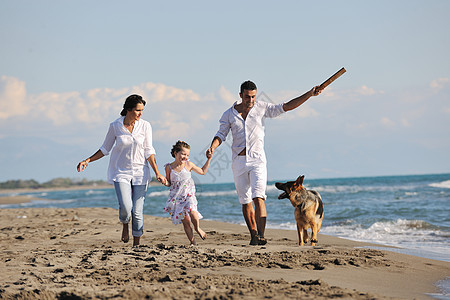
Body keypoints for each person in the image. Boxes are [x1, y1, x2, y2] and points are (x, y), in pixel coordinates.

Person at [207, 80, 322, 245]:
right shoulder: (229, 114)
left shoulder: (262, 107)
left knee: (258, 197)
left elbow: (287, 106)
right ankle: (253, 234)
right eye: (247, 97)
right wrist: (212, 147)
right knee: (245, 201)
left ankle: (261, 235)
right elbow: (221, 134)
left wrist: (309, 94)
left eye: (253, 96)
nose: (251, 100)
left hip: (257, 161)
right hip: (238, 162)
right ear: (240, 95)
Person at [76, 94, 167, 247]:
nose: (140, 114)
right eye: (138, 110)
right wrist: (87, 160)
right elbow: (105, 149)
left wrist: (157, 173)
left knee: (137, 212)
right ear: (128, 109)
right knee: (126, 207)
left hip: (140, 172)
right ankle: (125, 224)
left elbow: (149, 151)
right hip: (121, 172)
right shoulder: (115, 126)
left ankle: (136, 244)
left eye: (142, 110)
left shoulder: (145, 126)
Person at [163, 141, 212, 245]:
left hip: (189, 195)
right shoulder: (169, 167)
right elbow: (169, 183)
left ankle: (198, 228)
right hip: (176, 198)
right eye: (183, 154)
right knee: (186, 222)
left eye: (187, 155)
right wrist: (164, 181)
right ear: (176, 153)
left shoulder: (189, 164)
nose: (185, 157)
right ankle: (193, 242)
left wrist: (209, 159)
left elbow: (203, 171)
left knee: (193, 211)